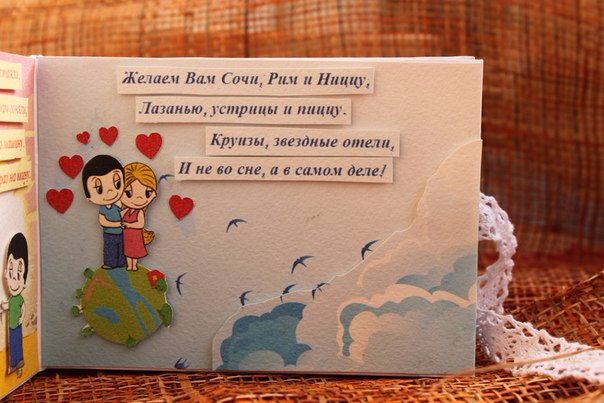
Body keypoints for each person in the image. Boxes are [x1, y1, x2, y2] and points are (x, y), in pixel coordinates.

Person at [82, 155, 126, 269]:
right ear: (89, 198)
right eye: (99, 189)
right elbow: (103, 221)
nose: (111, 191)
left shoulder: (118, 205)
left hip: (121, 233)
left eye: (117, 183)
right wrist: (117, 224)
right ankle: (110, 263)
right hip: (109, 234)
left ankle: (121, 262)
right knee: (110, 248)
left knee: (121, 247)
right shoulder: (104, 208)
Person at [121, 162, 157, 271]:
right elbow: (118, 216)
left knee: (134, 252)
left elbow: (140, 224)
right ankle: (130, 266)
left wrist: (127, 224)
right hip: (127, 236)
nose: (139, 199)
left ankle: (134, 266)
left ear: (154, 194)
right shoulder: (125, 210)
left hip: (135, 236)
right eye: (128, 193)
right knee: (128, 252)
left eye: (147, 193)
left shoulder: (140, 212)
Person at [1, 233, 28, 377]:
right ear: (5, 273)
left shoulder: (19, 299)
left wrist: (21, 319)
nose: (14, 281)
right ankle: (13, 365)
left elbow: (23, 308)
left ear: (24, 282)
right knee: (13, 345)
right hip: (11, 327)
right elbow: (8, 307)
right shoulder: (11, 300)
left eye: (19, 274)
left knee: (18, 344)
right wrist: (3, 306)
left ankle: (20, 364)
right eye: (11, 272)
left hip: (17, 326)